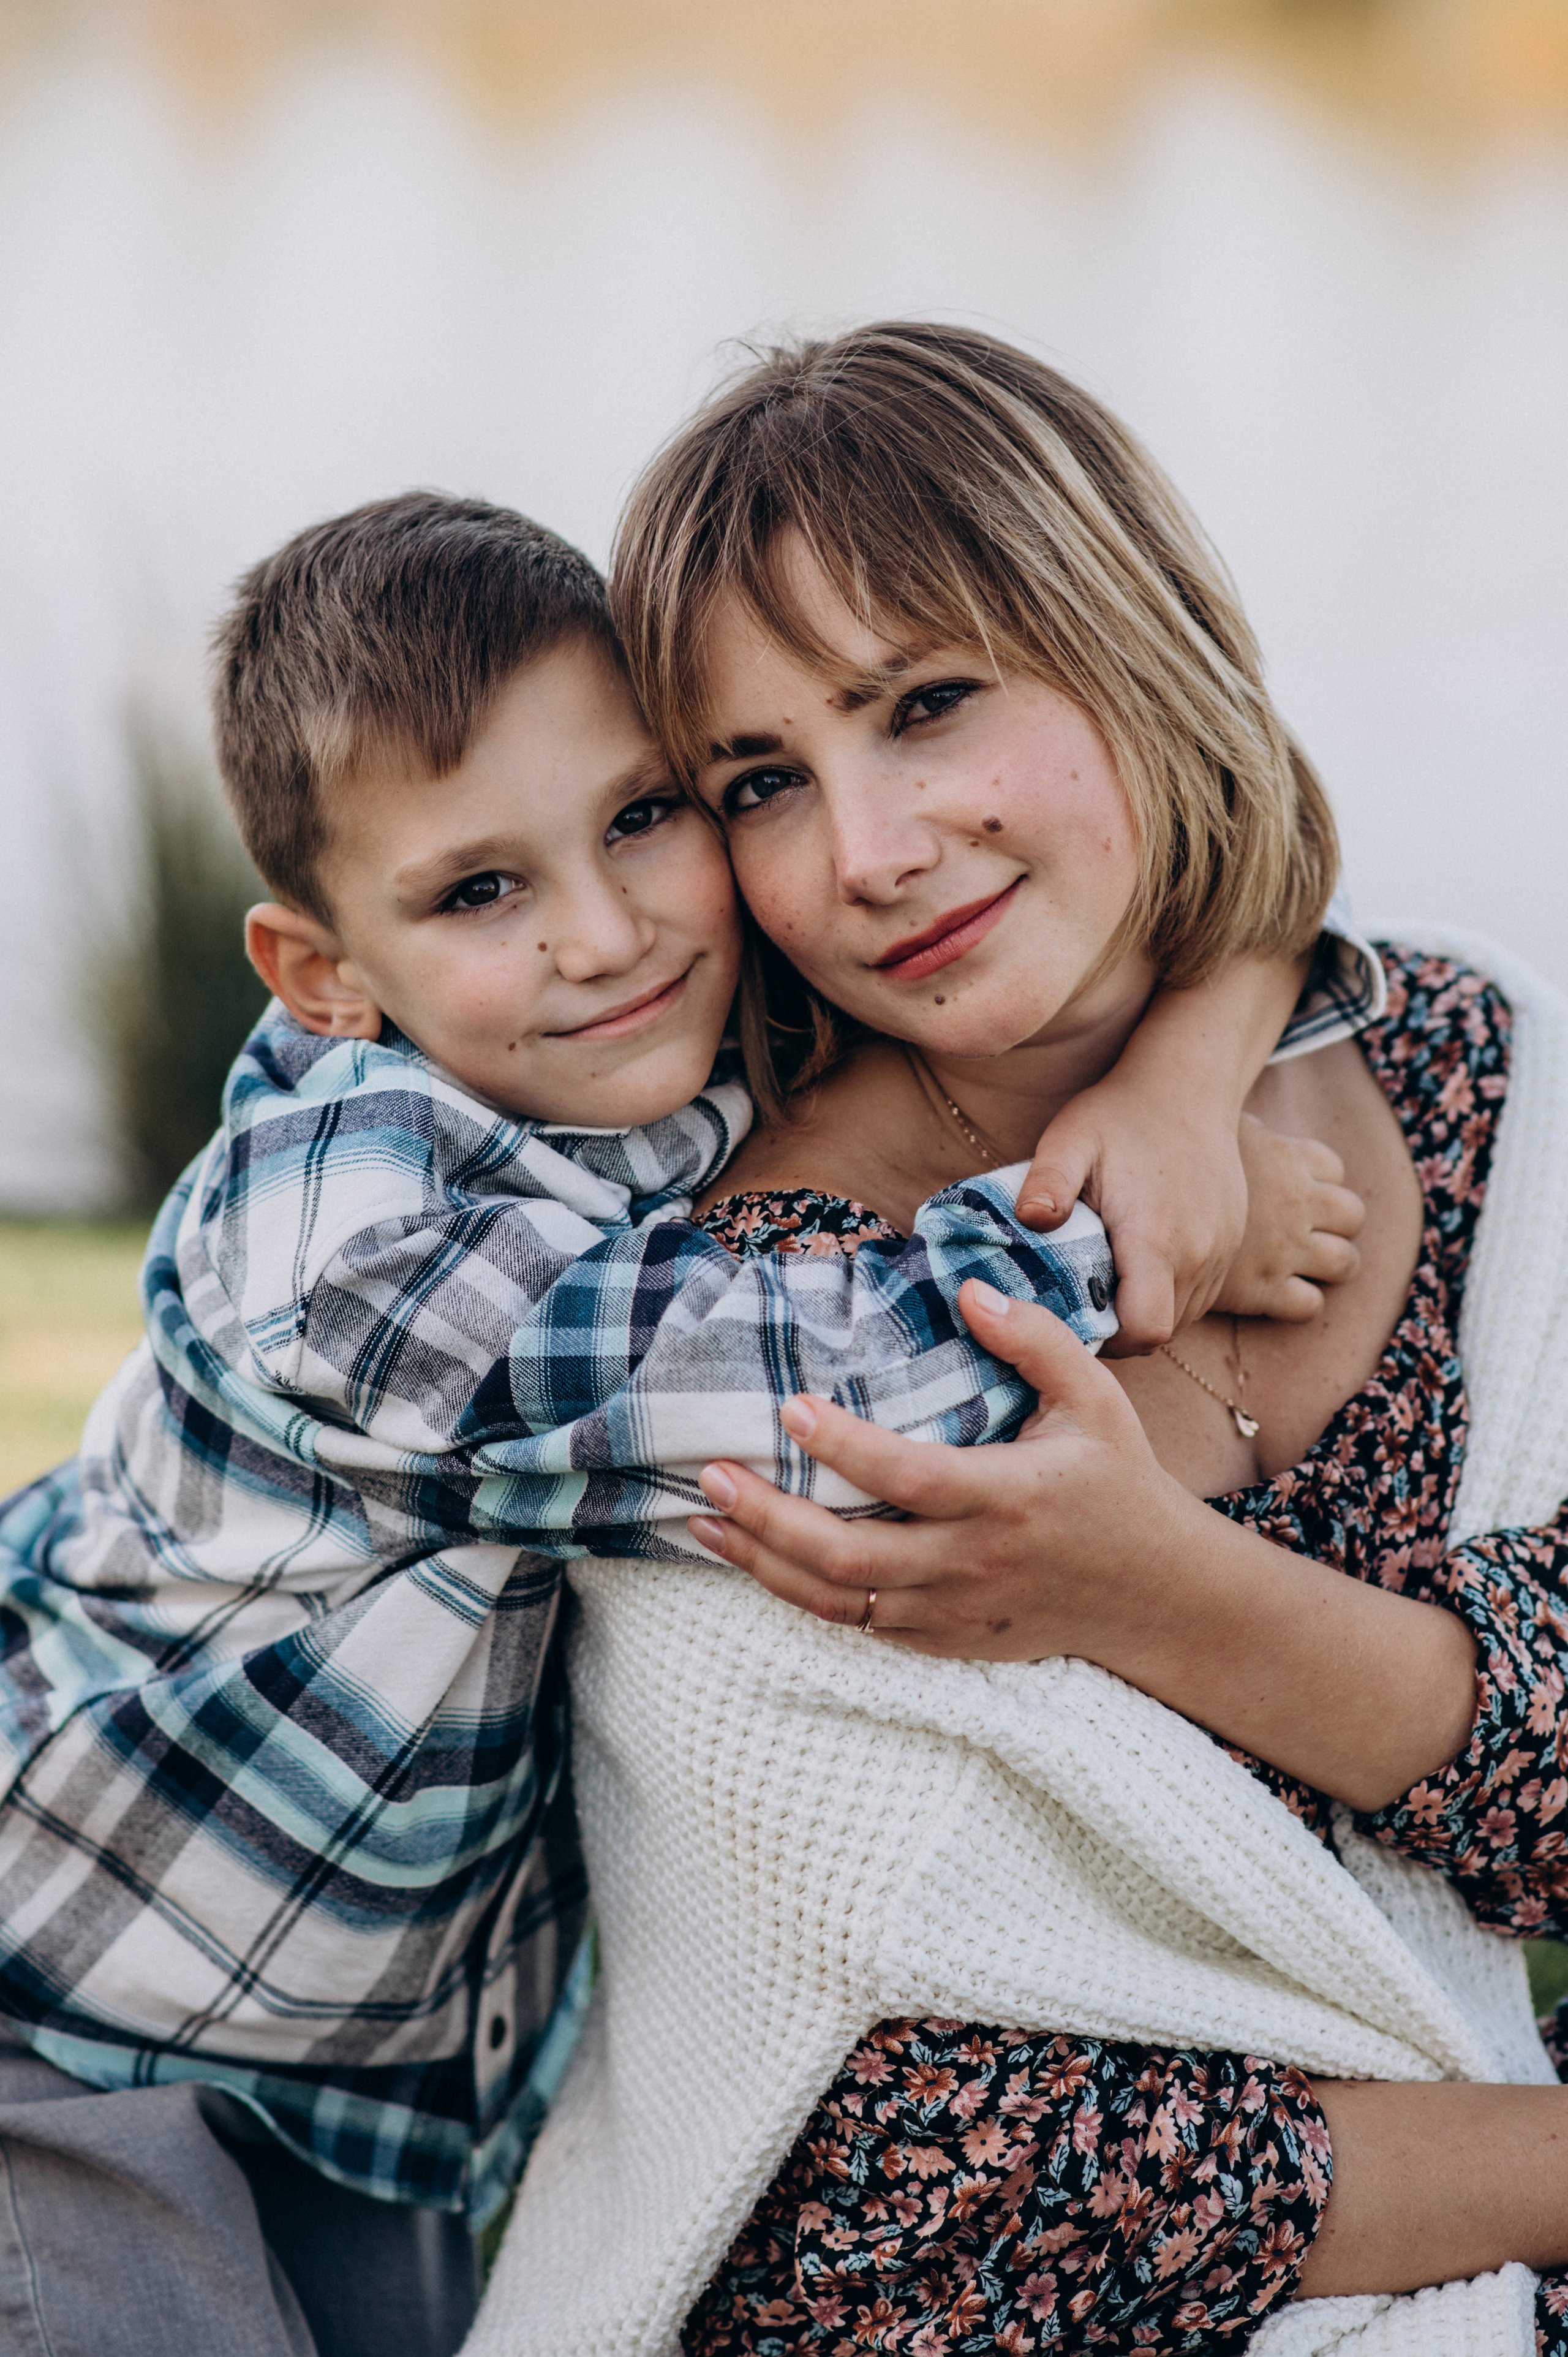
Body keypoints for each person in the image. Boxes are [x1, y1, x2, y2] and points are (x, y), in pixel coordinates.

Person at [0, 493, 1349, 2357]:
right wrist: (1125, 1231)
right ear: (324, 974)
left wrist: (1189, 1082)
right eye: (480, 891)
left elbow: (1237, 858)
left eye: (643, 816)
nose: (604, 928)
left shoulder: (634, 1029)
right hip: (61, 2009)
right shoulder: (345, 1241)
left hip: (350, 2072)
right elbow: (798, 1401)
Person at [469, 324, 1568, 2357]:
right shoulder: (747, 1333)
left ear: (1126, 633)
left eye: (927, 704)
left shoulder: (1477, 1073)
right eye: (763, 784)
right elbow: (885, 2190)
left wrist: (1163, 1595)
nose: (869, 856)